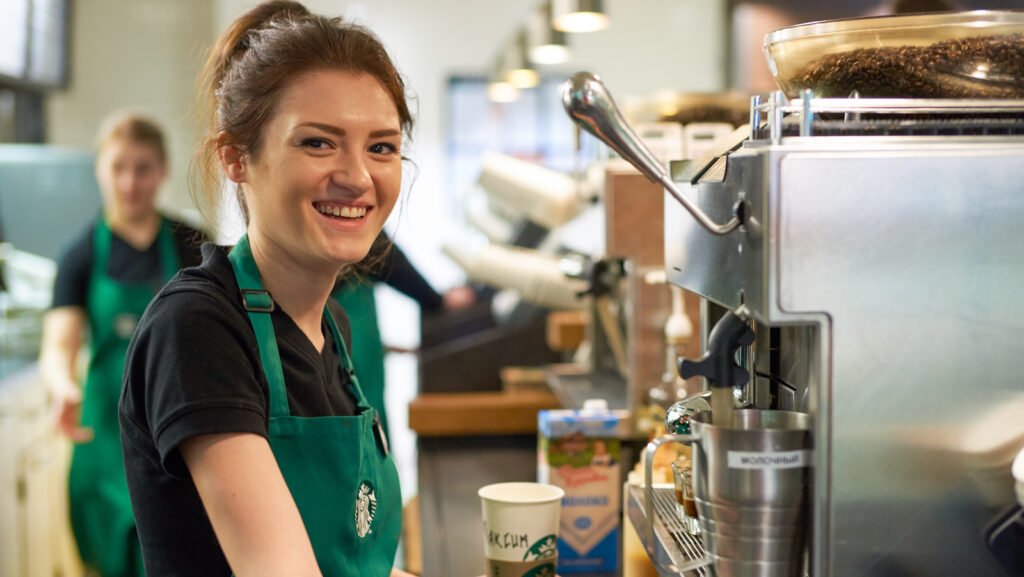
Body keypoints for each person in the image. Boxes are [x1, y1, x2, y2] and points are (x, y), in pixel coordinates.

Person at [118, 2, 417, 575]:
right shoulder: (199, 329)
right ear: (236, 158)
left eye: (381, 146)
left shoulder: (331, 327)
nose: (357, 176)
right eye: (318, 143)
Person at [39, 112, 204, 577]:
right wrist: (62, 387)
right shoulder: (80, 254)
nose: (130, 182)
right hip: (103, 437)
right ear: (100, 170)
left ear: (163, 170)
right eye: (118, 167)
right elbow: (59, 345)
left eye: (143, 167)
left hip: (175, 435)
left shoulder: (192, 246)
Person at [333, 232, 475, 439]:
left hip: (340, 306)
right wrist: (436, 300)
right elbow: (381, 251)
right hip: (346, 304)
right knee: (359, 405)